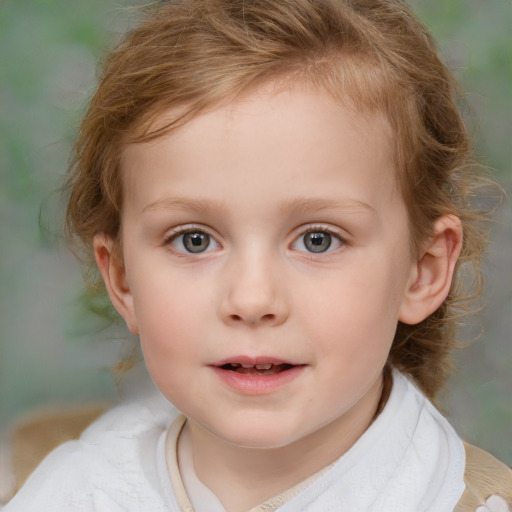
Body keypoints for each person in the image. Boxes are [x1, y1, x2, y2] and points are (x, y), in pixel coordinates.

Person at [4, 0, 511, 510]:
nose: (251, 299)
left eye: (318, 239)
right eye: (193, 240)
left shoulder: (459, 499)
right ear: (124, 280)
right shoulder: (69, 491)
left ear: (422, 272)